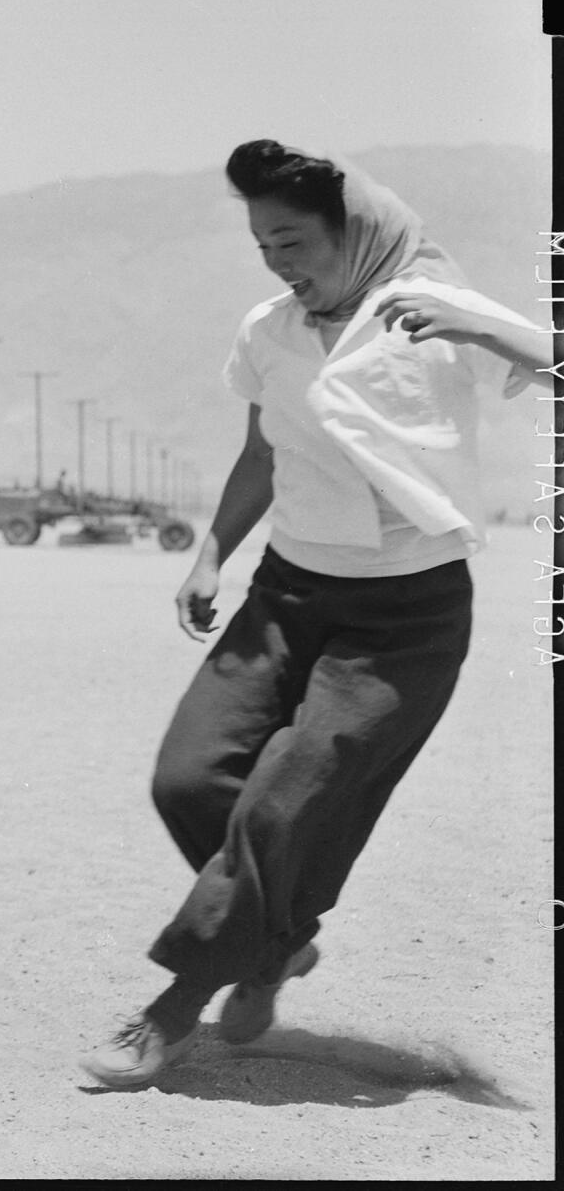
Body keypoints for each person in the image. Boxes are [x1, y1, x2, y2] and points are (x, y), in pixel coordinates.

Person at [78, 140, 553, 1088]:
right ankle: (275, 946)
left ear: (354, 230)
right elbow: (261, 454)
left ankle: (172, 1010)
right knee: (191, 781)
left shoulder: (433, 309)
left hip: (404, 620)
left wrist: (484, 326)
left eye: (293, 240)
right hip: (288, 594)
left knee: (279, 804)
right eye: (263, 245)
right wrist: (213, 551)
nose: (280, 263)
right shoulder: (269, 331)